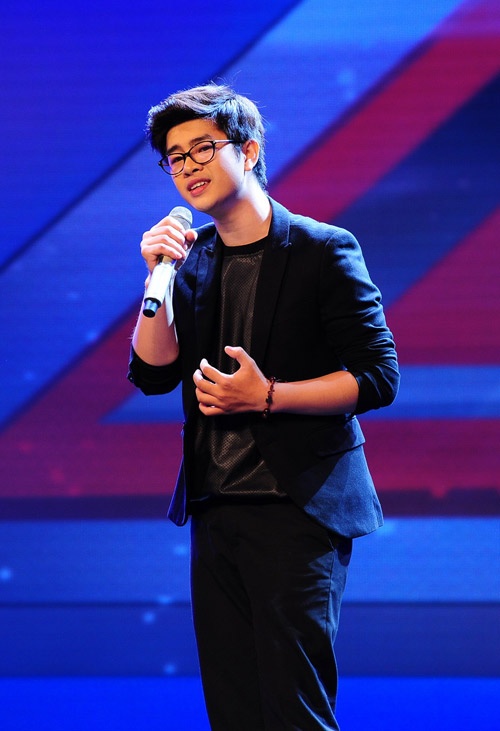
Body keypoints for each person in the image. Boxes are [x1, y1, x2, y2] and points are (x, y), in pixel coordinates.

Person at [128, 83, 399, 731]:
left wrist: (269, 396)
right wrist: (156, 276)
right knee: (234, 710)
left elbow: (377, 376)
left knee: (293, 709)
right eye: (174, 157)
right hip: (216, 507)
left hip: (297, 508)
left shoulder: (321, 248)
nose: (187, 166)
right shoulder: (190, 260)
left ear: (248, 151)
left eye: (202, 148)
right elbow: (152, 373)